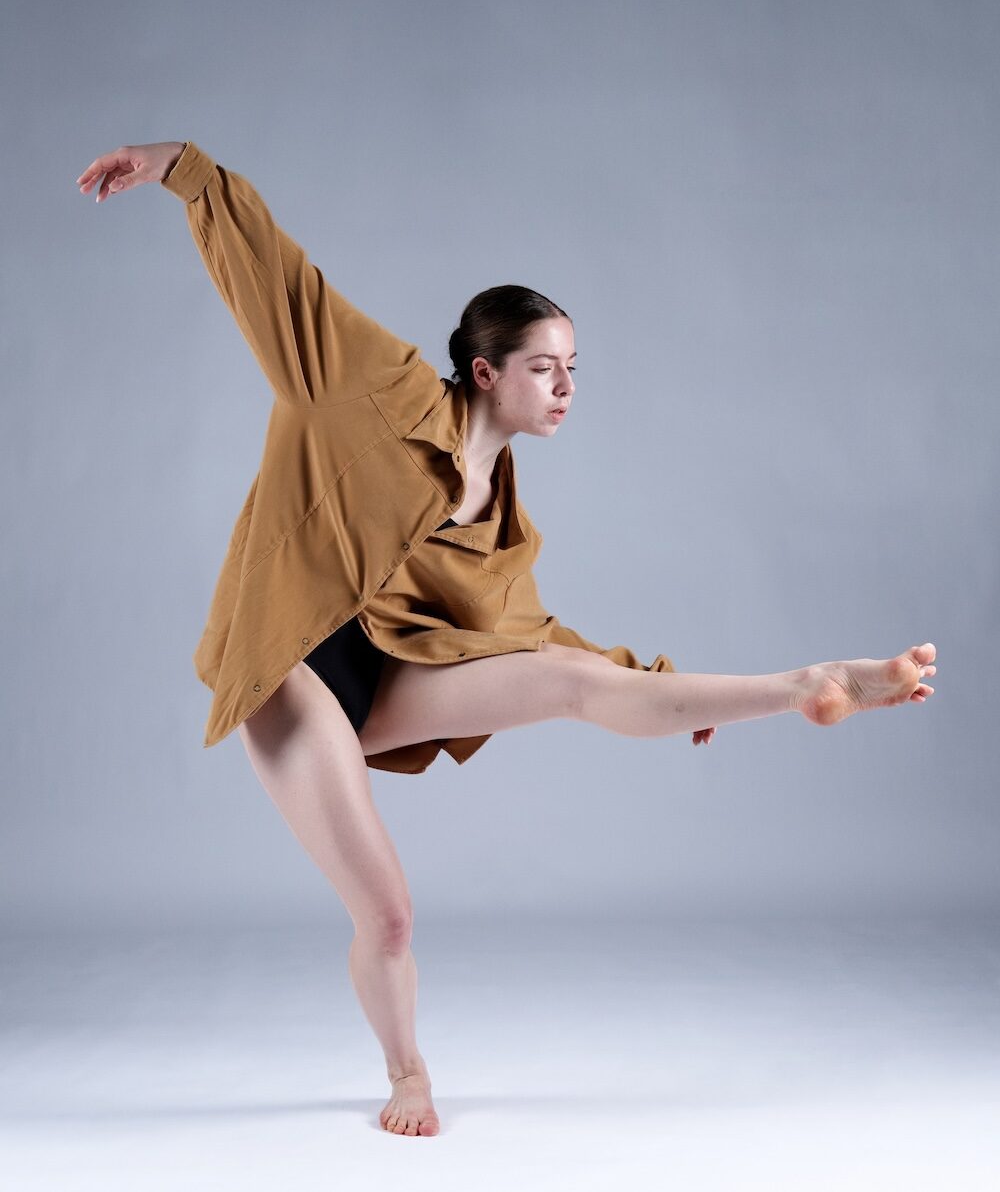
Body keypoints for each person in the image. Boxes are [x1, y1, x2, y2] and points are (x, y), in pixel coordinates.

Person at [76, 142, 938, 1138]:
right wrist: (184, 169)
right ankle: (406, 1071)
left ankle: (806, 683)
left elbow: (530, 639)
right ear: (485, 371)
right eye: (544, 368)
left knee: (576, 678)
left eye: (573, 369)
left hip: (392, 671)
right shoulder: (378, 385)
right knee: (388, 914)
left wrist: (662, 690)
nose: (566, 386)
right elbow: (283, 283)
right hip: (291, 662)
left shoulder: (502, 519)